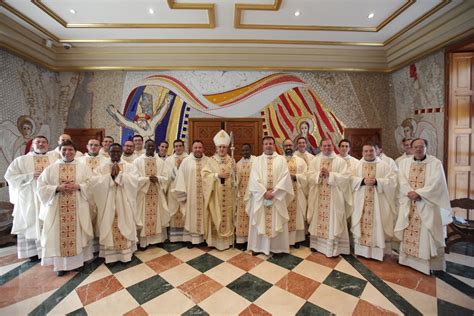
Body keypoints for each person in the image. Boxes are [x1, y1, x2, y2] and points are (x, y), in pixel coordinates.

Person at [394, 138, 452, 275]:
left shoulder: (435, 163)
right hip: (409, 203)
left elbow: (437, 184)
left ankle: (424, 263)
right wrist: (410, 192)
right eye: (416, 147)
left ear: (426, 148)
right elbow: (401, 180)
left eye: (421, 146)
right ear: (412, 148)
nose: (418, 149)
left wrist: (419, 193)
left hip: (427, 204)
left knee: (426, 233)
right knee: (408, 230)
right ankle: (406, 260)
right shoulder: (404, 163)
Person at [37, 140, 94, 276]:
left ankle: (77, 263)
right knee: (57, 234)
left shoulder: (83, 167)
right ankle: (60, 266)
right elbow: (40, 187)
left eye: (70, 150)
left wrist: (79, 186)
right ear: (60, 151)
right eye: (64, 150)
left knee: (77, 234)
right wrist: (57, 188)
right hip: (57, 208)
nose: (67, 152)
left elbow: (91, 184)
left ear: (75, 152)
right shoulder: (51, 168)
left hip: (78, 207)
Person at [5, 136, 56, 261]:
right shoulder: (21, 160)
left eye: (44, 142)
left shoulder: (54, 158)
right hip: (30, 197)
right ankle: (32, 252)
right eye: (38, 142)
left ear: (48, 145)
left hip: (49, 197)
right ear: (33, 144)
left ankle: (49, 250)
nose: (41, 144)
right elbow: (10, 176)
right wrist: (30, 176)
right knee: (31, 222)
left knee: (49, 222)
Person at [91, 143, 139, 263]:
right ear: (109, 153)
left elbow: (135, 181)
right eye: (113, 152)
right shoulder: (101, 167)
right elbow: (94, 182)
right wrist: (110, 177)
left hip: (124, 202)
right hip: (107, 202)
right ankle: (110, 254)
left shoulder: (129, 166)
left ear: (121, 152)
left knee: (126, 222)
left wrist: (120, 176)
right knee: (108, 222)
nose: (116, 154)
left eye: (118, 152)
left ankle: (126, 253)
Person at [247, 136, 294, 256]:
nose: (268, 145)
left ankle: (277, 248)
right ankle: (258, 248)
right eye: (266, 143)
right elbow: (253, 179)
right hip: (261, 198)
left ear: (274, 145)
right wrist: (264, 193)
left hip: (276, 197)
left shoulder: (281, 160)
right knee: (260, 222)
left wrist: (274, 192)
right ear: (263, 146)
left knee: (277, 222)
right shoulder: (257, 160)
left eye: (270, 143)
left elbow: (285, 178)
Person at [351, 143, 397, 261]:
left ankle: (377, 254)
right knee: (361, 224)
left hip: (378, 204)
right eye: (365, 151)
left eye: (371, 151)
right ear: (362, 153)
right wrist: (362, 181)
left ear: (376, 152)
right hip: (361, 202)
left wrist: (377, 182)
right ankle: (361, 251)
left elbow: (393, 182)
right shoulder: (357, 165)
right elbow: (349, 179)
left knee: (377, 224)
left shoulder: (384, 166)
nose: (368, 153)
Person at [307, 139, 352, 257]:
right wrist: (318, 175)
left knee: (334, 220)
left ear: (333, 147)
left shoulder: (340, 161)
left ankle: (333, 248)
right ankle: (317, 245)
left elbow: (346, 178)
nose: (327, 148)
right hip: (318, 196)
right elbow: (309, 176)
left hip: (334, 197)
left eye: (329, 145)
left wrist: (330, 175)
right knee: (317, 219)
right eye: (324, 146)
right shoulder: (315, 160)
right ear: (320, 147)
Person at [202, 130, 236, 250]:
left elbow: (236, 178)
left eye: (224, 147)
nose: (222, 149)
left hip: (229, 196)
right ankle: (215, 242)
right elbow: (205, 176)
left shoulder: (232, 160)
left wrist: (234, 178)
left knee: (228, 215)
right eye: (220, 147)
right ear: (216, 148)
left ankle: (228, 242)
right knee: (216, 215)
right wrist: (216, 176)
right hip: (215, 196)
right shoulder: (210, 161)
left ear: (227, 148)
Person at [133, 140, 170, 248]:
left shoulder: (160, 161)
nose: (150, 148)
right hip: (143, 194)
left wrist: (157, 178)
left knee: (159, 215)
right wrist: (147, 179)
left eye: (152, 146)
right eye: (148, 146)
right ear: (145, 146)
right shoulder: (138, 161)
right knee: (143, 216)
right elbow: (134, 179)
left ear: (155, 147)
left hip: (157, 193)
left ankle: (158, 240)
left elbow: (166, 177)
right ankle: (144, 242)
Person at [174, 140, 209, 248]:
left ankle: (203, 239)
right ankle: (190, 240)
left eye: (199, 147)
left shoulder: (208, 161)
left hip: (204, 197)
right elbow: (181, 179)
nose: (198, 150)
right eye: (195, 148)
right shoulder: (186, 161)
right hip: (191, 196)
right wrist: (183, 196)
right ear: (192, 149)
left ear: (203, 149)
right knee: (190, 217)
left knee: (204, 217)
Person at [283, 139, 308, 248]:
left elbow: (307, 176)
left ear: (293, 146)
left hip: (297, 191)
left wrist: (296, 177)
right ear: (283, 146)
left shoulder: (300, 161)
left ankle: (296, 240)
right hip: (283, 194)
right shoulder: (279, 160)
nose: (288, 147)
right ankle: (284, 239)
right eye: (286, 145)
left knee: (297, 216)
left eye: (290, 145)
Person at [165, 139, 188, 242]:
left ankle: (185, 236)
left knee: (185, 212)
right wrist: (176, 168)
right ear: (173, 147)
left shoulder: (188, 158)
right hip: (172, 192)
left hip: (185, 191)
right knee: (174, 212)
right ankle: (175, 238)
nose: (178, 148)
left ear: (183, 147)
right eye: (176, 146)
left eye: (180, 146)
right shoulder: (169, 160)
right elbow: (167, 175)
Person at [235, 143, 255, 248]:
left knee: (251, 217)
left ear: (250, 150)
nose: (245, 152)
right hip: (241, 195)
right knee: (241, 218)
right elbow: (236, 181)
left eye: (247, 150)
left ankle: (250, 240)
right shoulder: (238, 164)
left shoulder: (256, 161)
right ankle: (241, 241)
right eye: (243, 150)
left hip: (252, 195)